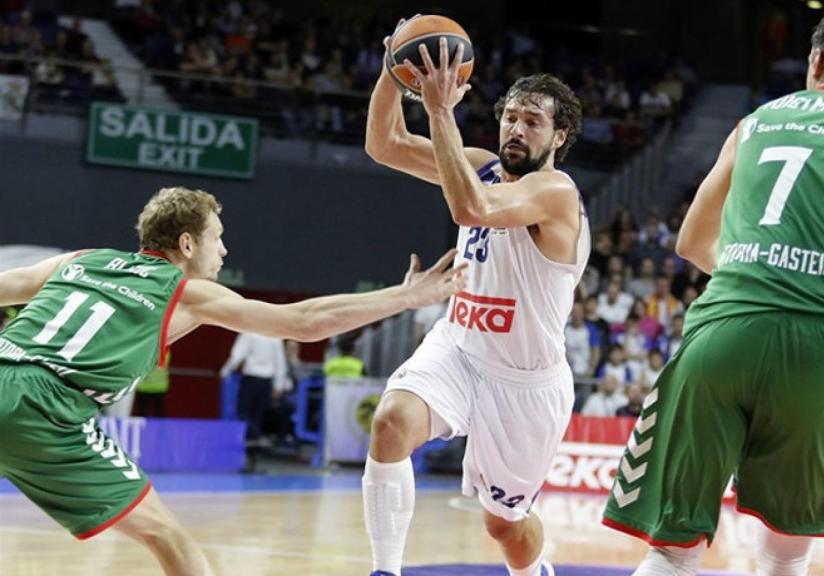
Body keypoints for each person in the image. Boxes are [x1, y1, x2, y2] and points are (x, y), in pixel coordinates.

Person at [601, 8, 824, 575]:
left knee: (672, 548)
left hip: (723, 331)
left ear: (814, 60)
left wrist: (763, 276)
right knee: (788, 550)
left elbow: (691, 241)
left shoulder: (756, 122)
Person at [0, 186, 463, 575]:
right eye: (217, 238)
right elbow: (304, 321)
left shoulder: (82, 260)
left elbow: (10, 282)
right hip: (47, 409)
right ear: (186, 245)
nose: (223, 251)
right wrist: (405, 297)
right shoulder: (185, 290)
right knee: (170, 538)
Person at [362, 18, 587, 576]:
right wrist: (394, 69)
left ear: (558, 138)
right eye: (511, 116)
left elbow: (472, 210)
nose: (516, 128)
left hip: (525, 382)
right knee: (391, 421)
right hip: (459, 348)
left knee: (503, 526)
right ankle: (384, 570)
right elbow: (383, 144)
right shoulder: (482, 166)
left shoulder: (556, 193)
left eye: (533, 122)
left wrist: (439, 111)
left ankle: (534, 571)